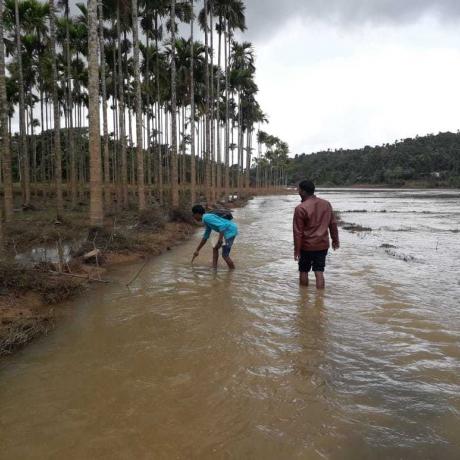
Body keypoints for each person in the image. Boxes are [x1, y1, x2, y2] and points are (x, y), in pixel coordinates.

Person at [293, 180, 340, 289]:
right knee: (319, 271)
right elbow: (333, 224)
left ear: (303, 192)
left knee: (303, 271)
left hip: (306, 246)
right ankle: (320, 299)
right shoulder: (326, 204)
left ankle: (303, 299)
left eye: (298, 189)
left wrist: (297, 251)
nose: (297, 191)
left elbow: (297, 232)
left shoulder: (300, 208)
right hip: (322, 245)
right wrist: (335, 240)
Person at [191, 205, 238, 269]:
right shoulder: (206, 219)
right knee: (215, 248)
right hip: (228, 230)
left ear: (197, 214)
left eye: (193, 214)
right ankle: (214, 268)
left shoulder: (206, 218)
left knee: (225, 255)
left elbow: (222, 226)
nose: (193, 217)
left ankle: (232, 271)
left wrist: (220, 240)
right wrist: (197, 250)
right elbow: (205, 236)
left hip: (230, 232)